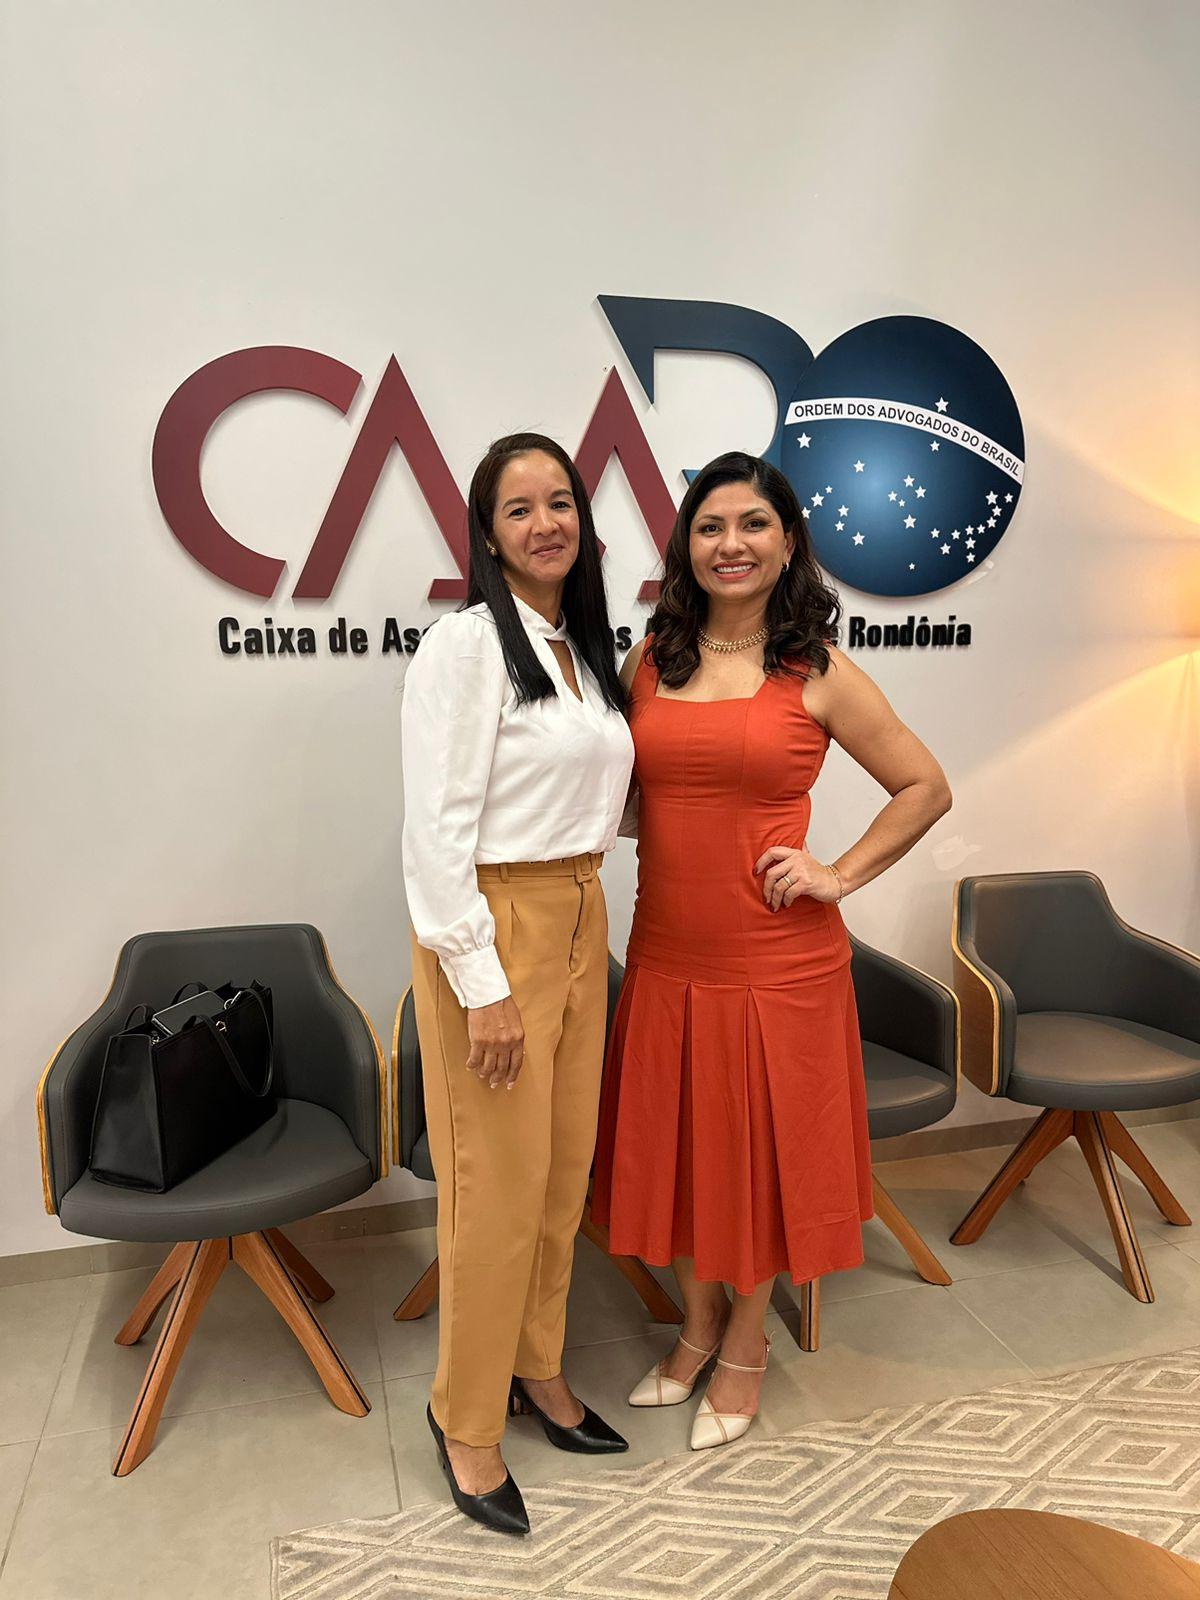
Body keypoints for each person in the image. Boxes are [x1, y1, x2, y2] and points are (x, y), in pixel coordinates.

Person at [591, 450, 952, 1451]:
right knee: (683, 1155)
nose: (731, 544)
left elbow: (925, 786)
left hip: (777, 964)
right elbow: (632, 799)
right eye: (711, 526)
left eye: (753, 524)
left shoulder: (817, 670)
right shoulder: (650, 661)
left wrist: (838, 872)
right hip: (666, 950)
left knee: (752, 1163)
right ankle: (697, 1326)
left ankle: (745, 1343)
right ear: (686, 546)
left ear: (788, 542)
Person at [401, 433, 635, 1535]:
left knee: (559, 1172)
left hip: (583, 909)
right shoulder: (466, 646)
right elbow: (435, 835)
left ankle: (538, 1368)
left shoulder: (582, 650)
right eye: (518, 508)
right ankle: (466, 1417)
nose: (546, 523)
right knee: (492, 1192)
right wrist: (481, 984)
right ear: (487, 536)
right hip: (497, 927)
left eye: (561, 503)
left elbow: (592, 803)